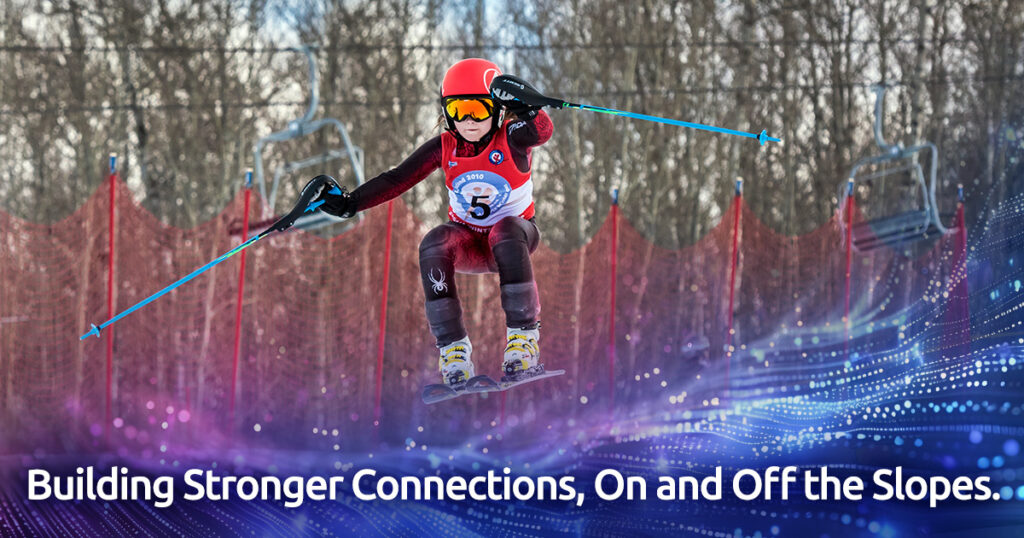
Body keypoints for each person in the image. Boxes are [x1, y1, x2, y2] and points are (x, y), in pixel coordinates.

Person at [320, 58, 554, 388]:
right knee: (434, 243)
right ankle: (454, 352)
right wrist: (350, 203)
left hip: (516, 238)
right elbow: (398, 179)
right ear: (446, 112)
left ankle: (524, 341)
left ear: (496, 109)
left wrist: (529, 108)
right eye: (458, 110)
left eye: (477, 107)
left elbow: (541, 132)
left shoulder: (511, 135)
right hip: (471, 243)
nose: (469, 119)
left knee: (505, 230)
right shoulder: (446, 146)